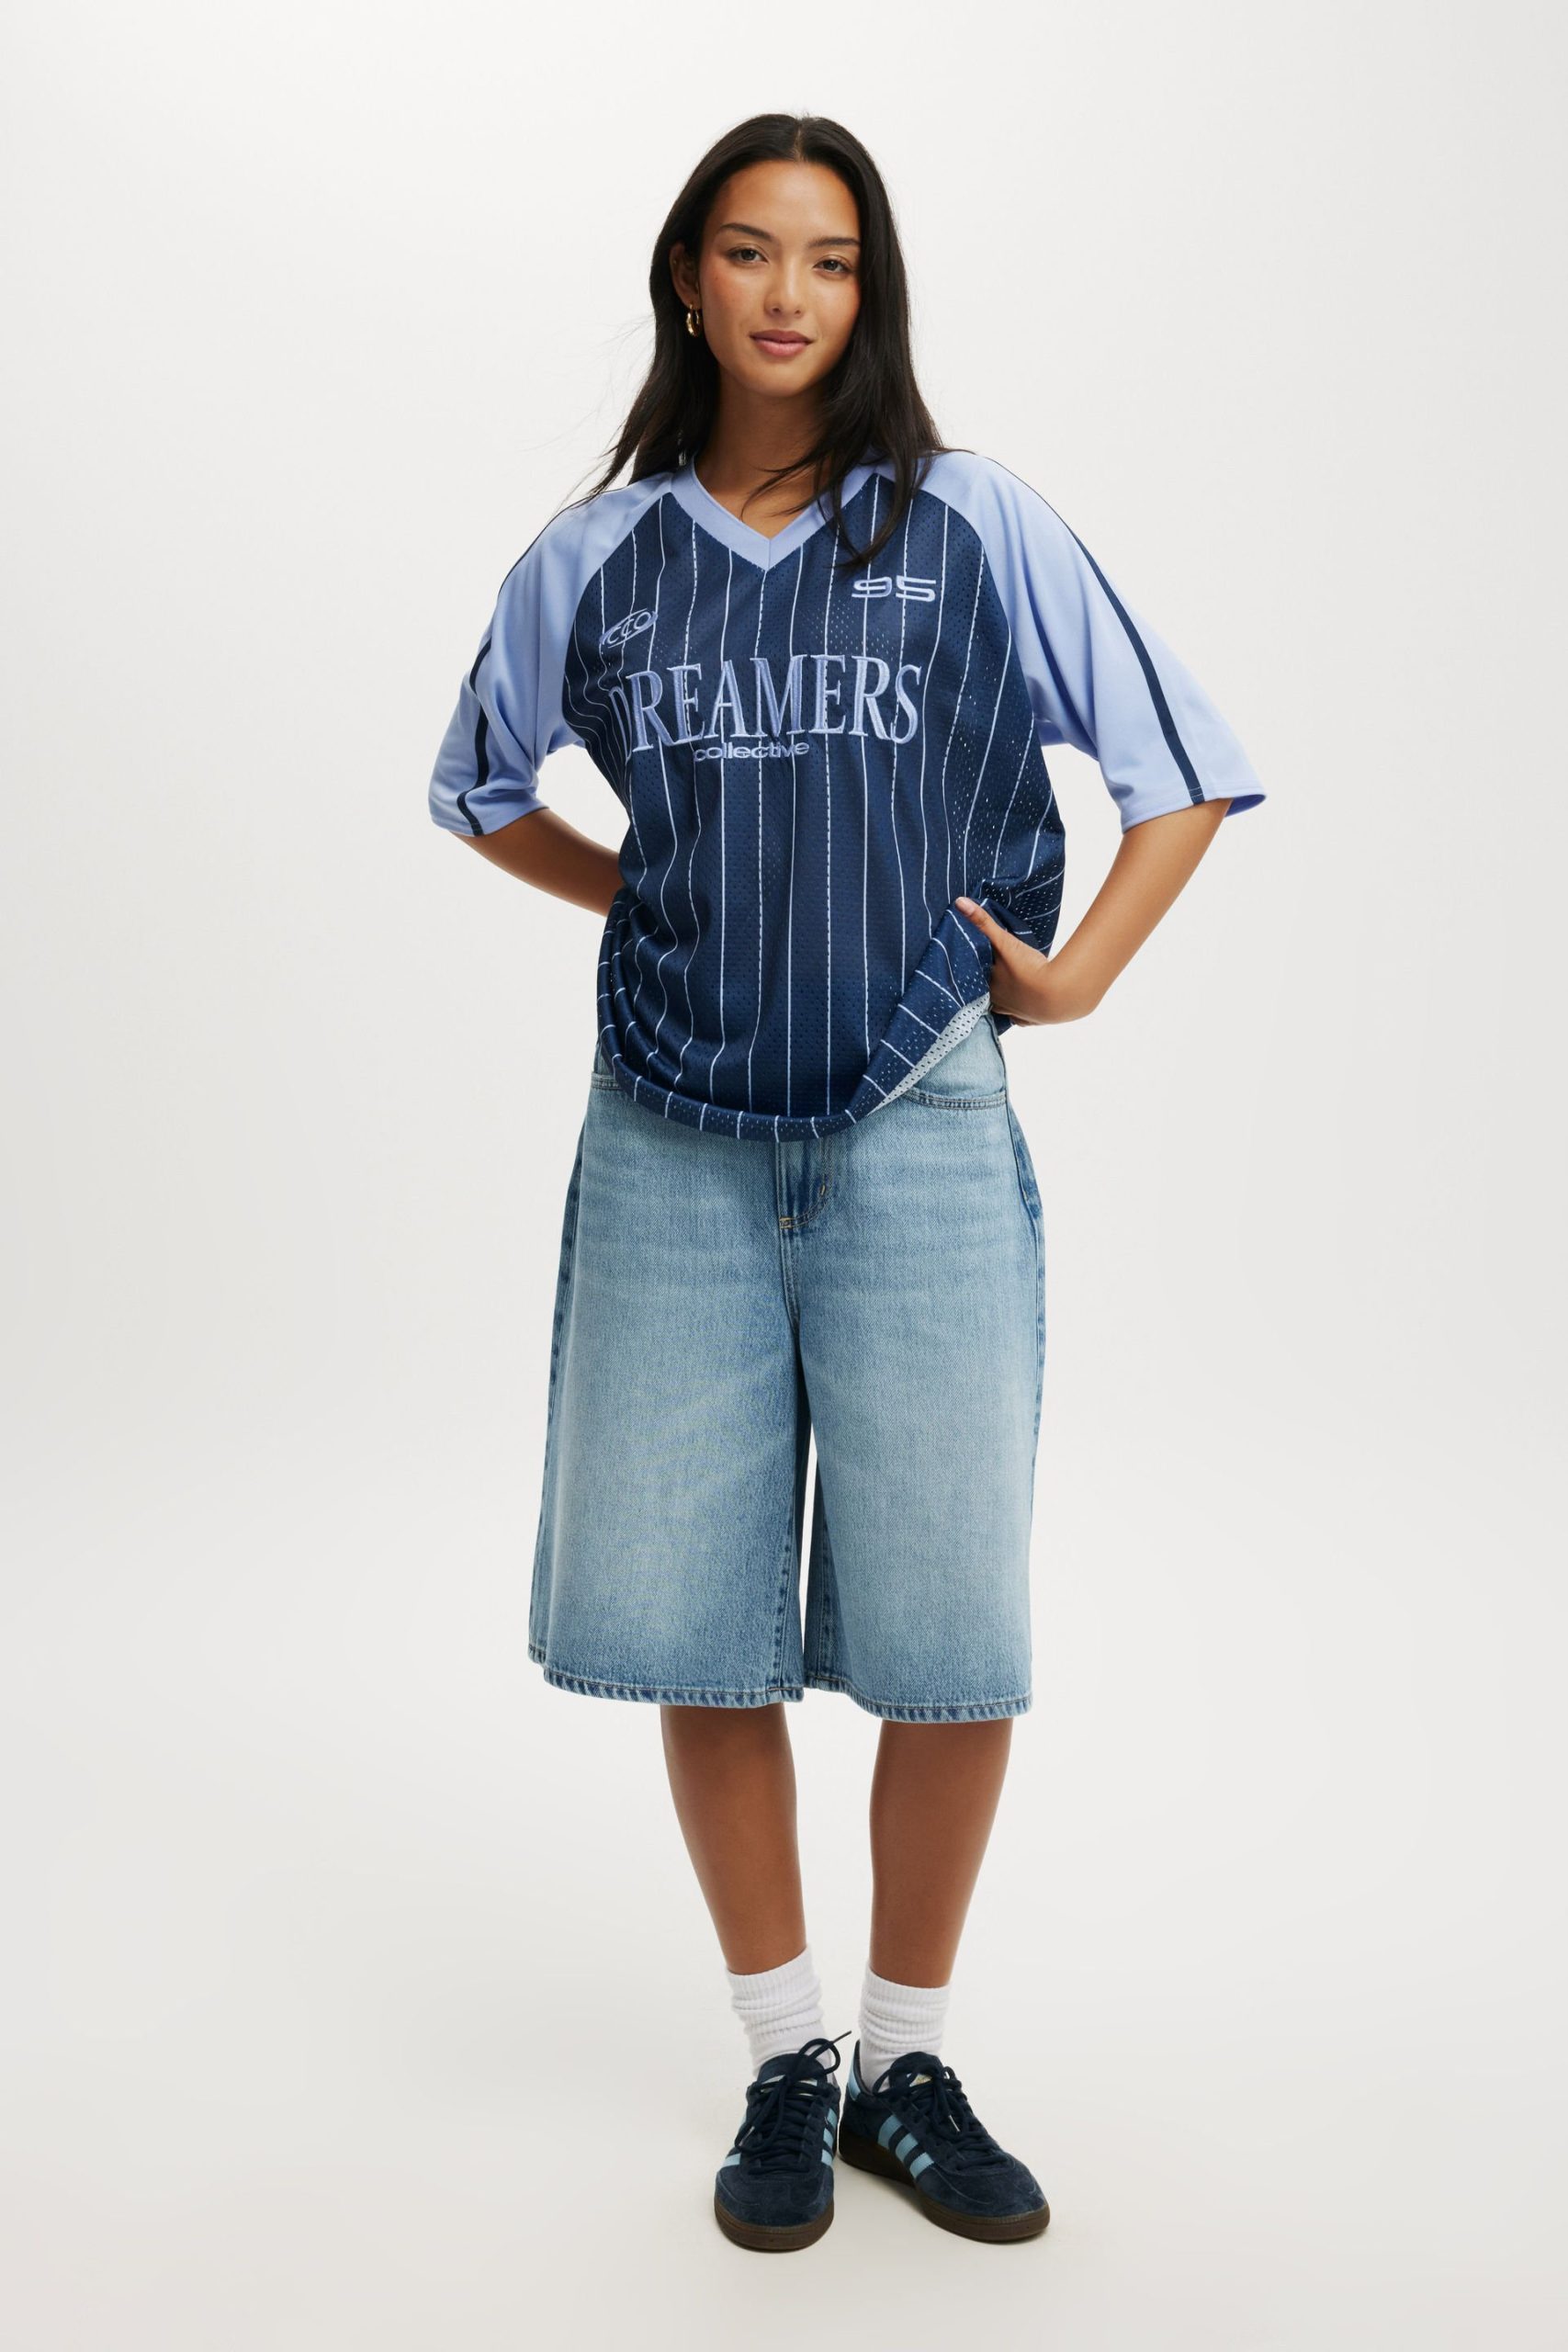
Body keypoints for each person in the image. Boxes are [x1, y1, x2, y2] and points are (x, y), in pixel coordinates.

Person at [426, 112, 1265, 2254]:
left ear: (867, 290)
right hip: (671, 1133)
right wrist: (639, 887)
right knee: (700, 1612)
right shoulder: (593, 557)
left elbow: (1177, 772)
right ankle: (784, 2050)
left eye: (826, 258)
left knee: (945, 1626)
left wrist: (1074, 973)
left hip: (915, 1118)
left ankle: (906, 2054)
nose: (785, 293)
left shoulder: (969, 520)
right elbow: (478, 784)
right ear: (686, 279)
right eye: (746, 251)